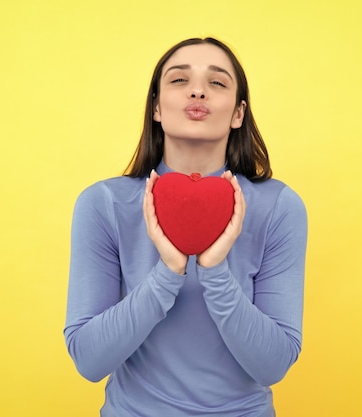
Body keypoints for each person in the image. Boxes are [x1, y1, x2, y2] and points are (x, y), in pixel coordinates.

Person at [64, 37, 308, 417]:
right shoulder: (104, 205)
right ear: (157, 108)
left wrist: (214, 270)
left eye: (217, 82)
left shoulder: (279, 207)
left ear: (238, 113)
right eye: (179, 80)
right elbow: (89, 361)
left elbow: (273, 366)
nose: (197, 90)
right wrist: (167, 272)